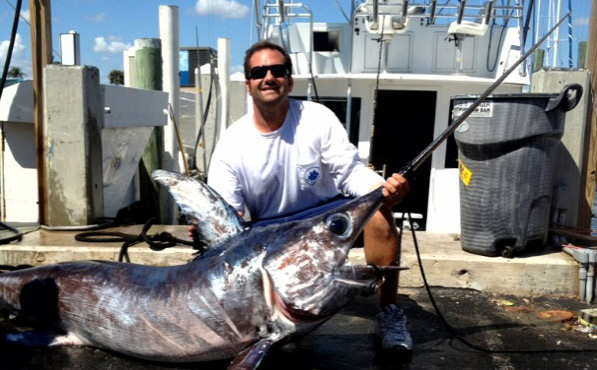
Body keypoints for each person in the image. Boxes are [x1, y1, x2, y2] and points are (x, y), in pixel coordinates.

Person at [201, 40, 412, 351]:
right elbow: (225, 219)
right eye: (259, 72)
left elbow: (349, 171)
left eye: (278, 70)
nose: (269, 77)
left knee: (378, 211)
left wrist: (380, 190)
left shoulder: (317, 117)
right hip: (269, 231)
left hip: (323, 217)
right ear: (248, 85)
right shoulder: (231, 144)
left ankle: (389, 312)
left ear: (289, 79)